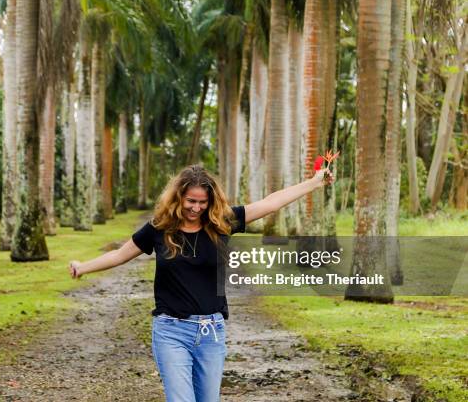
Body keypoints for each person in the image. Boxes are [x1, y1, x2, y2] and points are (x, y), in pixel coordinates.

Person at [68, 165, 334, 402]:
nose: (196, 208)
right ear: (178, 198)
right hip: (171, 331)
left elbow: (270, 204)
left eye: (202, 203)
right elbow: (119, 255)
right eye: (190, 201)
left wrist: (314, 182)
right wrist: (83, 267)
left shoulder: (222, 223)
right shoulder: (159, 228)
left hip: (211, 332)